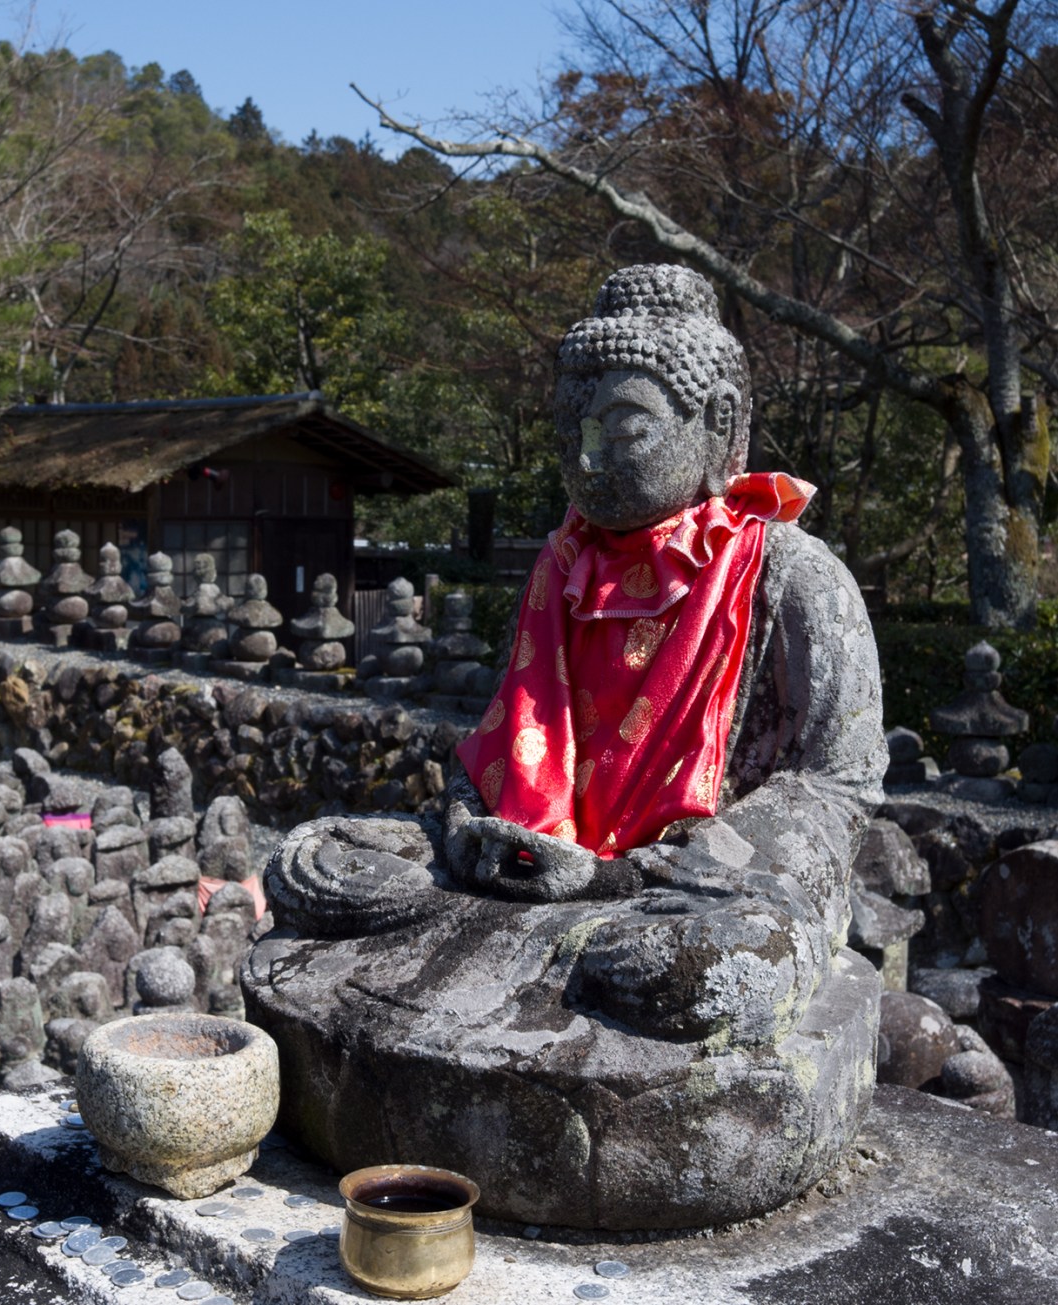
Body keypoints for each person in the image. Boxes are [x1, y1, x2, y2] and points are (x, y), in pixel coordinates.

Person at [247, 265, 886, 1229]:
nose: (586, 457)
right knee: (319, 868)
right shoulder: (562, 568)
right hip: (540, 856)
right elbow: (511, 740)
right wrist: (474, 827)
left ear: (717, 425)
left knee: (696, 972)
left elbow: (837, 788)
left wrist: (670, 869)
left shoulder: (794, 578)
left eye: (622, 429)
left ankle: (609, 942)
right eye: (568, 431)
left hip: (696, 876)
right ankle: (545, 924)